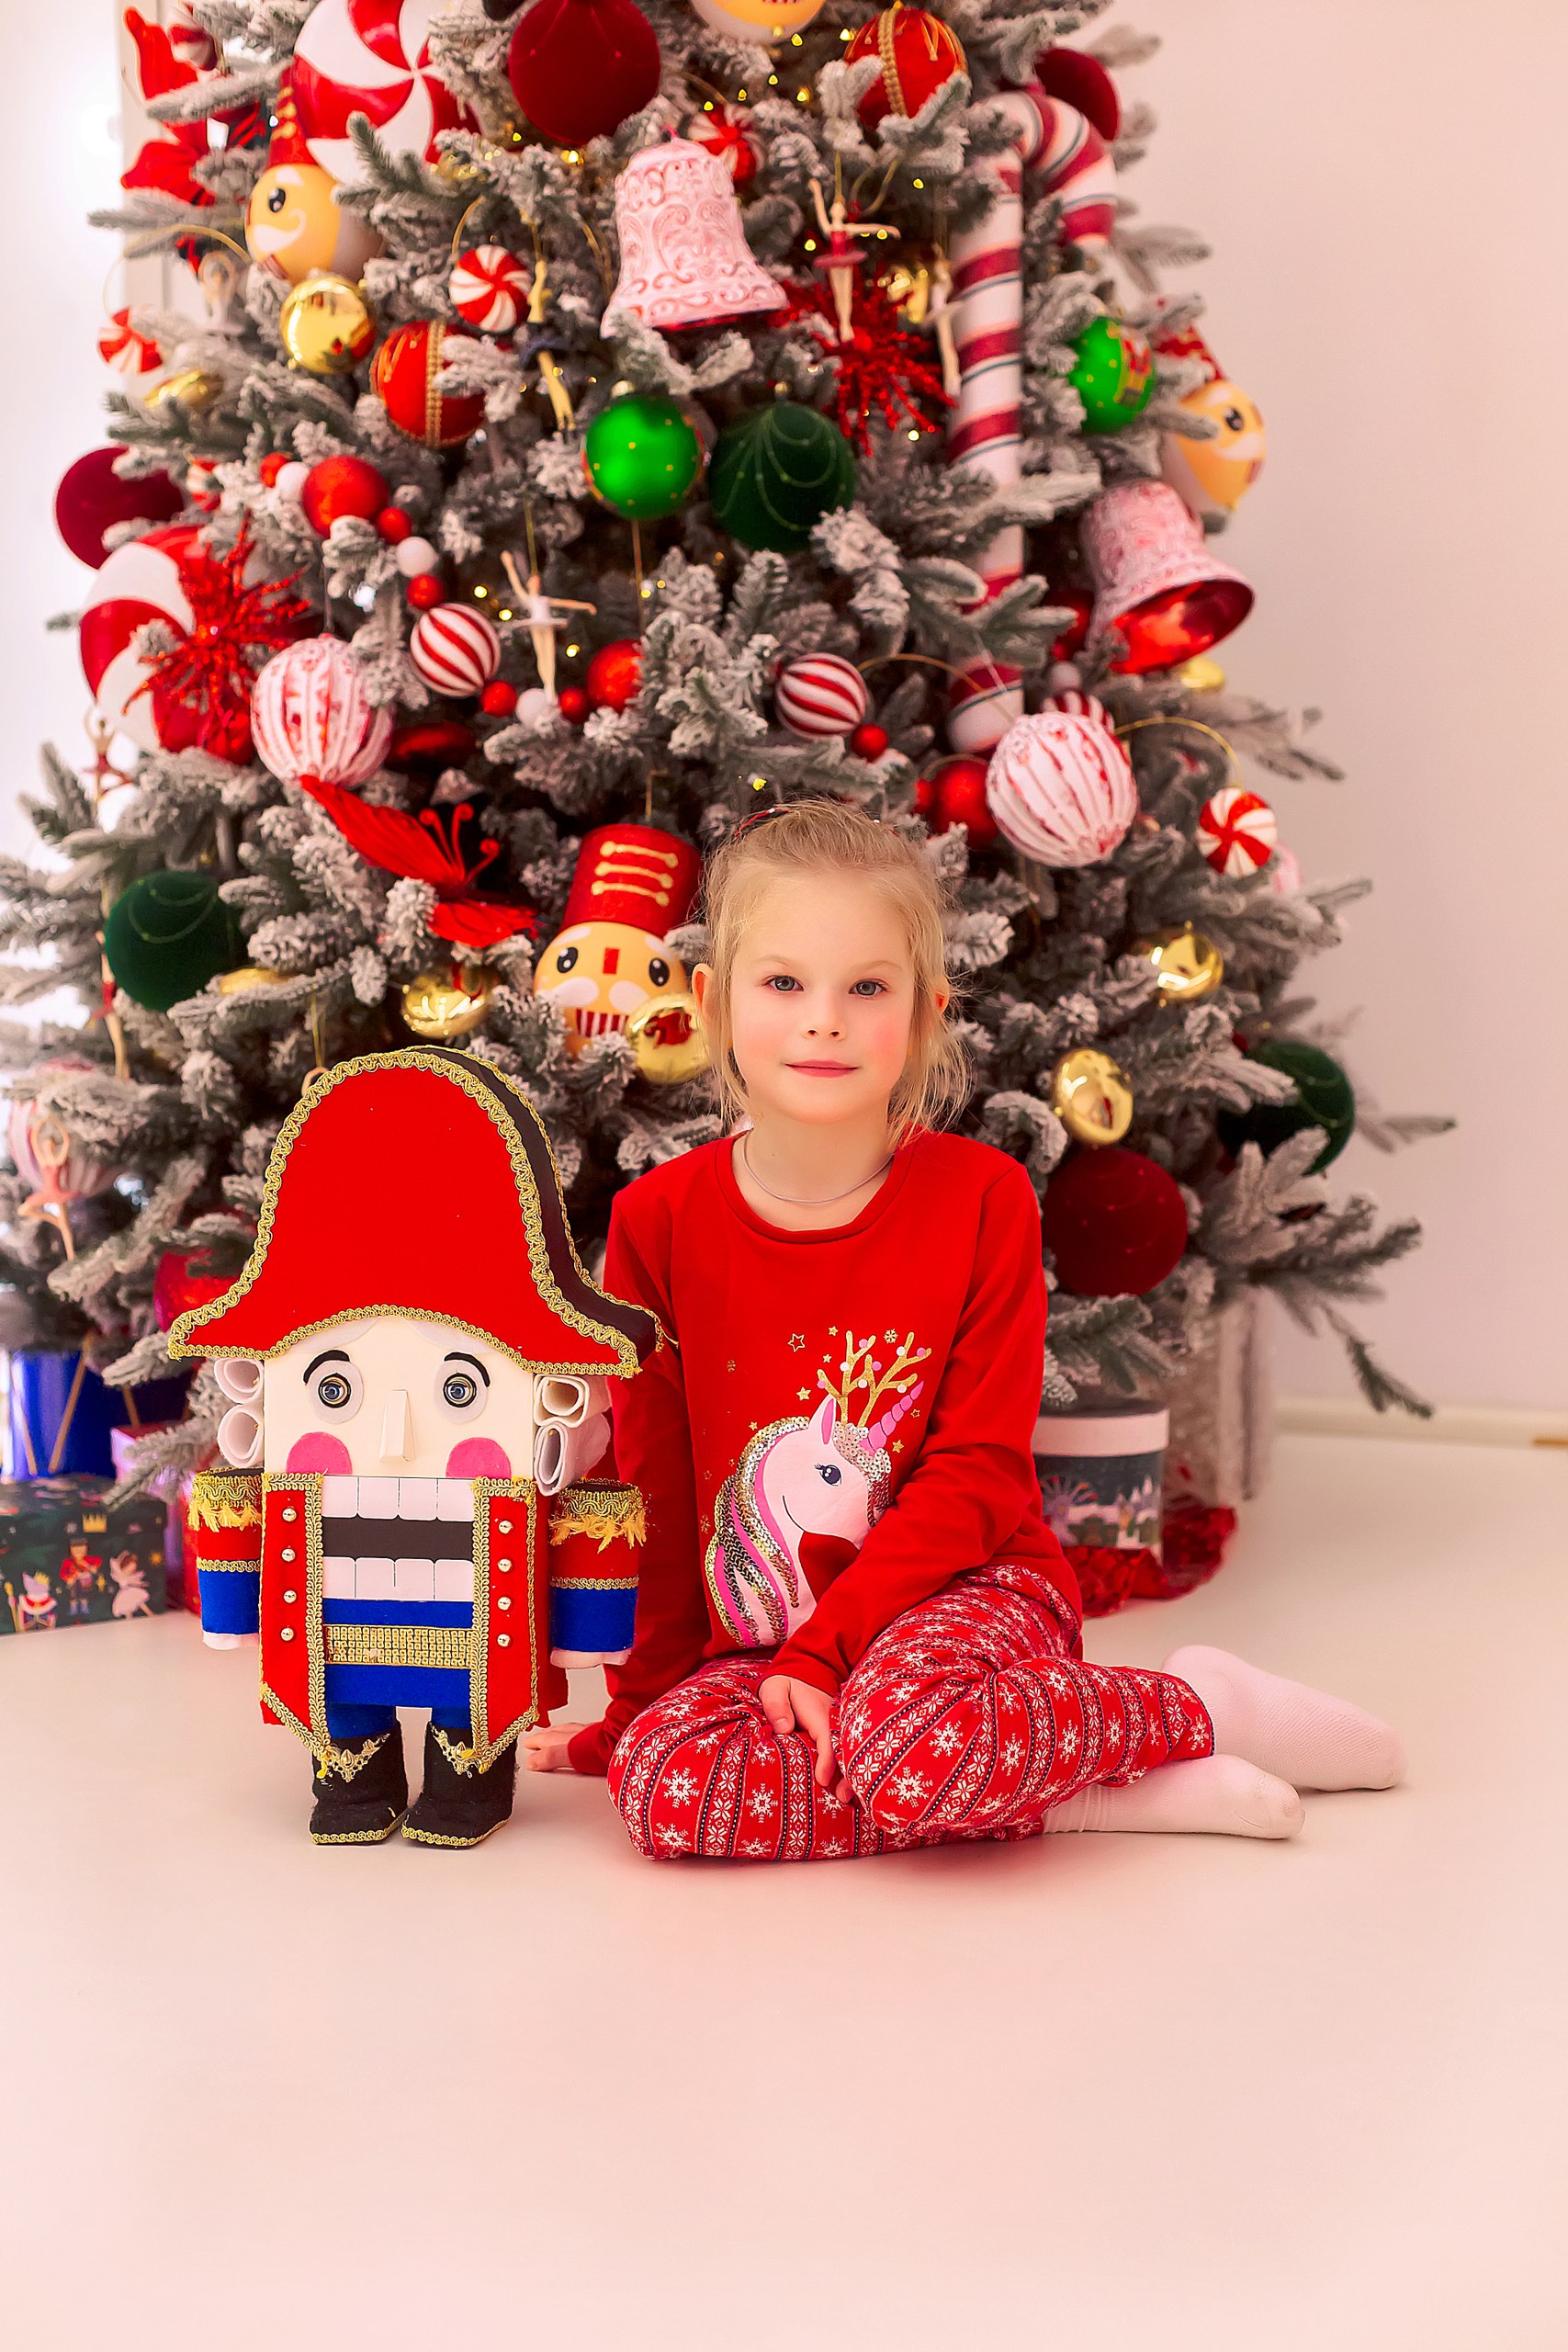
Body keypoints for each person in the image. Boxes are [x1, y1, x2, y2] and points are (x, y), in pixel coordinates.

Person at [522, 801, 1404, 1860]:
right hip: (772, 1642)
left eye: (866, 988)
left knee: (905, 1736)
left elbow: (978, 1474)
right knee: (664, 1787)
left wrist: (830, 1650)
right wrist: (637, 1715)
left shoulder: (981, 1198)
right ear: (712, 1002)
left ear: (924, 1012)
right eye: (784, 983)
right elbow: (659, 1493)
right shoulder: (655, 1222)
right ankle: (1056, 1788)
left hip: (968, 1590)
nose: (823, 1020)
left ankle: (1199, 1708)